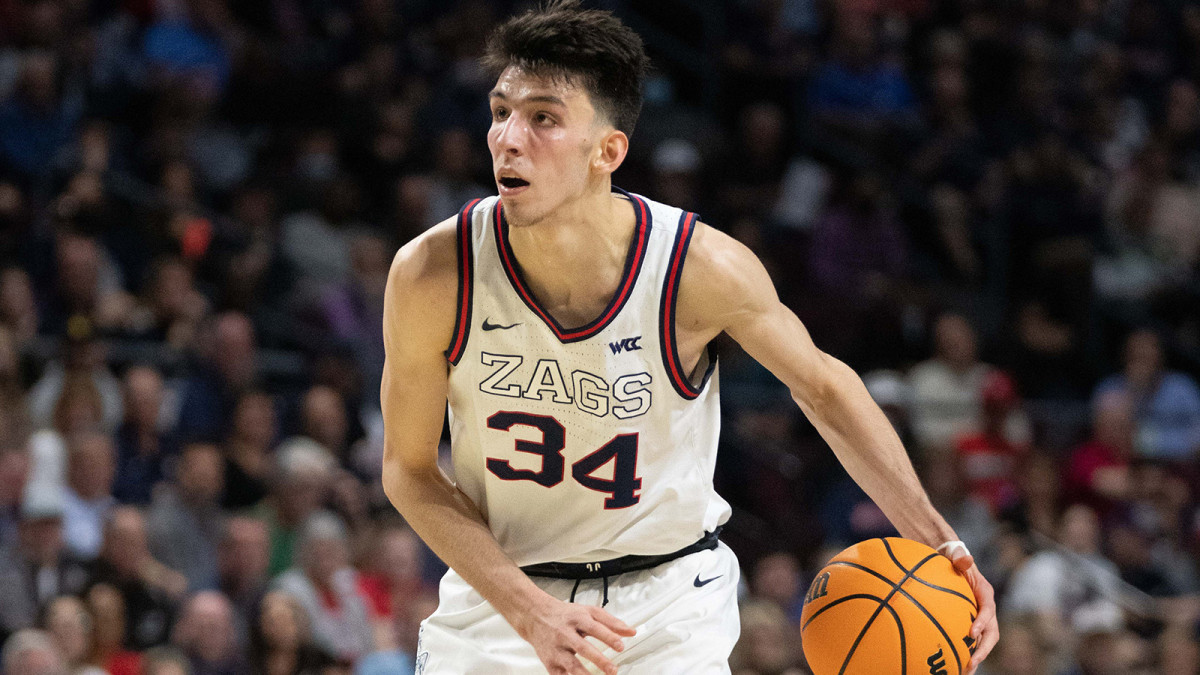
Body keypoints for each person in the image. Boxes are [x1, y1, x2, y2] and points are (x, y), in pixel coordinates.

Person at [378, 3, 999, 674]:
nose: (508, 137)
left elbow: (822, 387)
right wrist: (529, 609)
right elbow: (408, 470)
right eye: (501, 111)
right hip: (503, 592)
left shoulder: (696, 269)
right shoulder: (433, 273)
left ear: (608, 151)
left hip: (667, 602)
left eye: (544, 118)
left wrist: (943, 543)